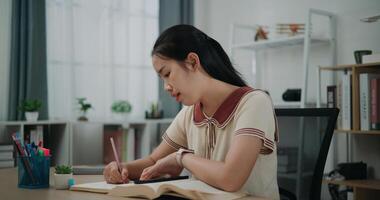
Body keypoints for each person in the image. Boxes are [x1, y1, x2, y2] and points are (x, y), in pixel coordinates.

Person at [103, 24, 280, 199]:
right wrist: (122, 167)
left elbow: (230, 179)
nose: (166, 87)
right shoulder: (189, 113)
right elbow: (153, 162)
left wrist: (181, 158)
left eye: (167, 73)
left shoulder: (254, 102)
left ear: (193, 62)